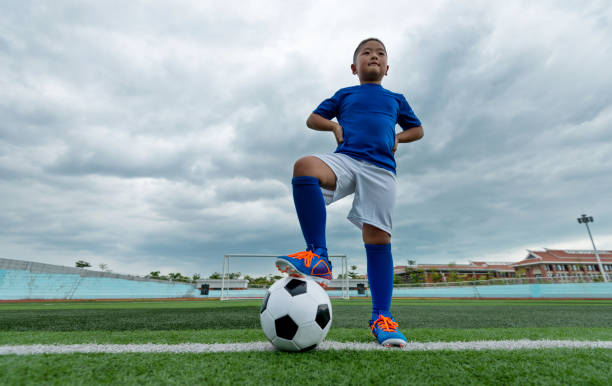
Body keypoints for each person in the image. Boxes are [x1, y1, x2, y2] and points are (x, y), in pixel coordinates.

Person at [276, 38, 423, 347]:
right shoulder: (346, 94)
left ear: (387, 67)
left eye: (380, 54)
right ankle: (318, 256)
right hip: (346, 159)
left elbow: (417, 129)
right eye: (366, 53)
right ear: (354, 67)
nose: (374, 56)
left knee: (377, 238)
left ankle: (381, 317)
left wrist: (399, 136)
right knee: (305, 166)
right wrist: (333, 127)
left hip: (381, 169)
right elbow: (312, 118)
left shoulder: (396, 99)